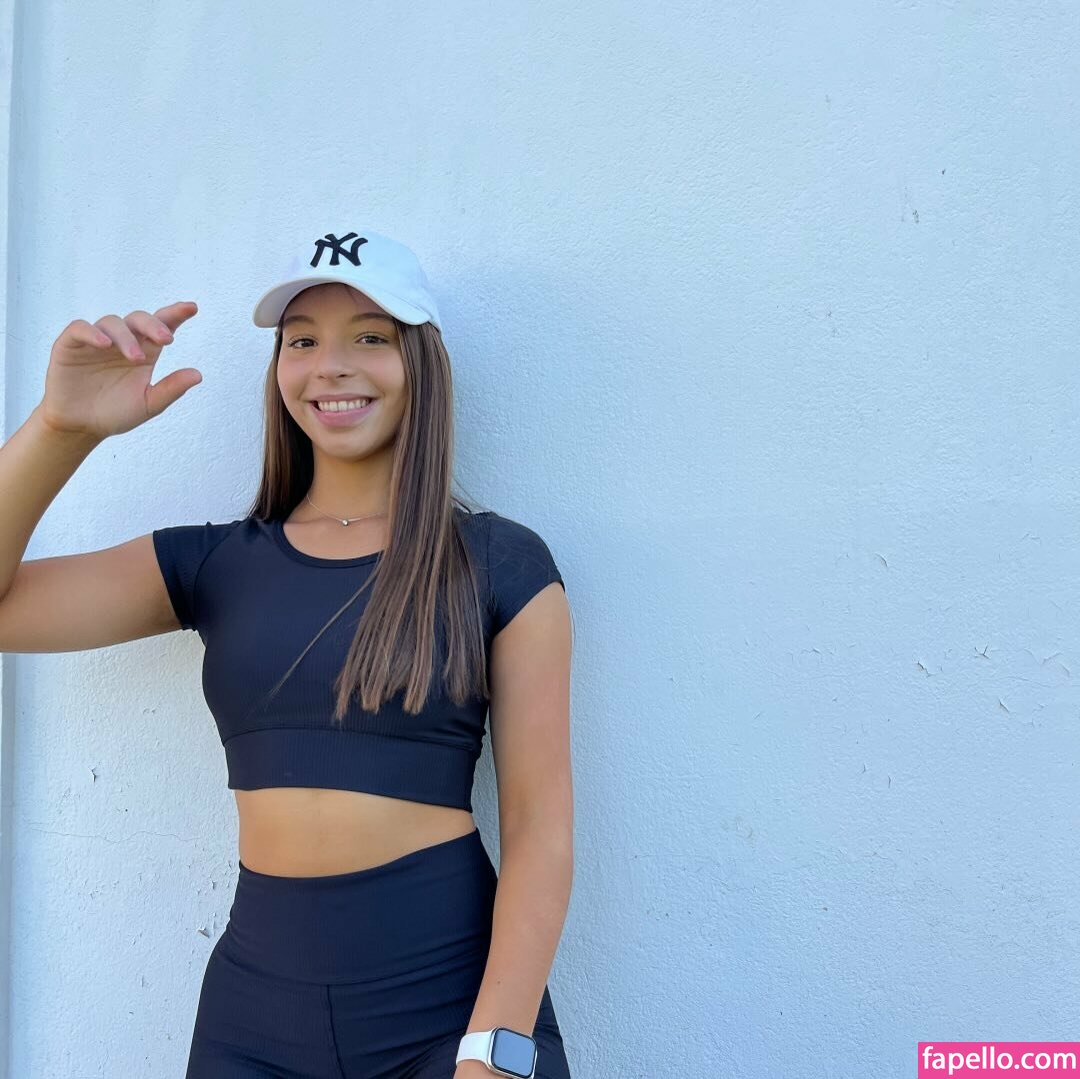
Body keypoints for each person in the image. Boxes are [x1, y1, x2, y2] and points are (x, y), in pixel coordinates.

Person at [0, 229, 575, 1078]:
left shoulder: (497, 562)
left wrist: (493, 1051)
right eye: (301, 341)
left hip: (449, 1013)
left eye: (370, 337)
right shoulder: (217, 563)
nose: (330, 365)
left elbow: (539, 830)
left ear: (421, 363)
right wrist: (62, 428)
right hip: (254, 1022)